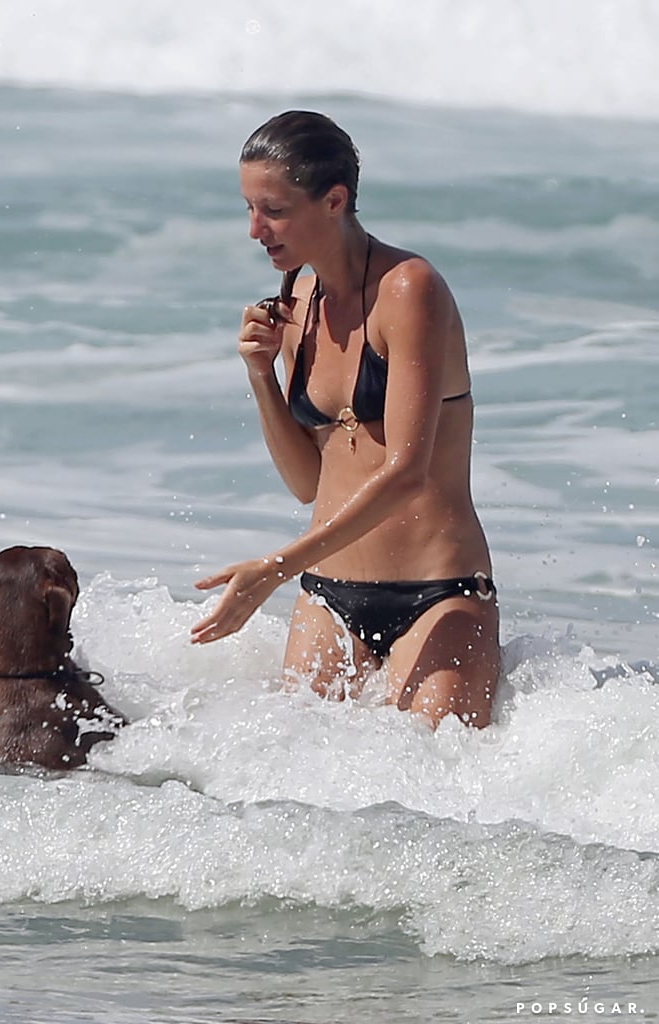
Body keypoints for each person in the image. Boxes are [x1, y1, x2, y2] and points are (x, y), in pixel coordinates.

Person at [190, 110, 500, 728]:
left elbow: (406, 472)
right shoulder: (298, 303)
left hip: (437, 594)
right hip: (328, 594)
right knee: (298, 793)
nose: (255, 230)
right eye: (249, 208)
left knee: (436, 792)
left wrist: (275, 569)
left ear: (334, 200)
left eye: (273, 210)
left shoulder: (410, 289)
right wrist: (262, 376)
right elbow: (310, 482)